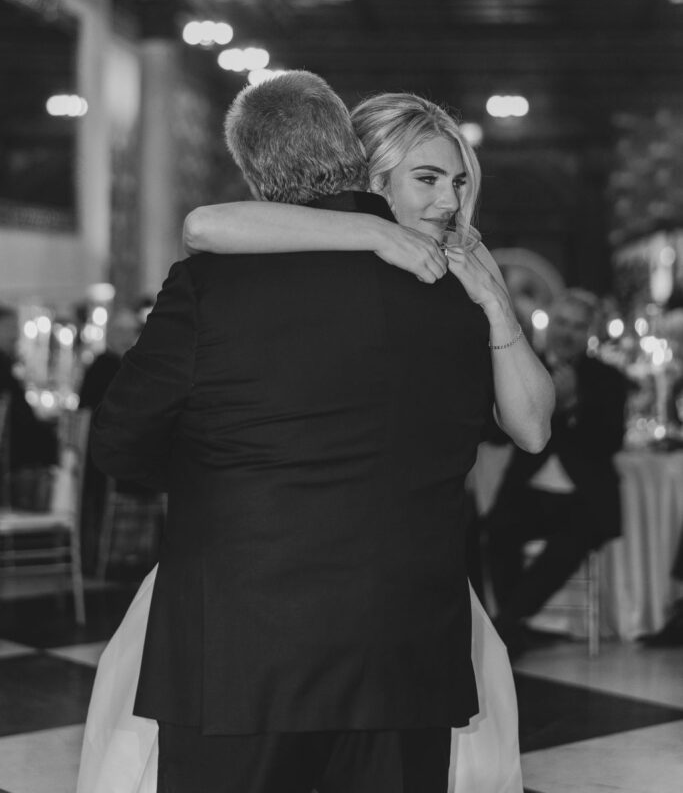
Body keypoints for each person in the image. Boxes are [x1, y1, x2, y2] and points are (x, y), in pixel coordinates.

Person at [84, 77, 553, 793]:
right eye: (428, 178)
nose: (450, 201)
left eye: (458, 181)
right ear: (368, 173)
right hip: (403, 648)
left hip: (244, 641)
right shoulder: (445, 303)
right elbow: (208, 222)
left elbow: (120, 444)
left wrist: (216, 478)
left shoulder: (219, 286)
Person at [486, 288, 628, 657]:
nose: (568, 333)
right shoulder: (520, 367)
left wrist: (574, 404)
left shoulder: (607, 379)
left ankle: (506, 624)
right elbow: (497, 437)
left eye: (578, 327)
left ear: (589, 333)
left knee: (575, 536)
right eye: (562, 323)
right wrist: (548, 405)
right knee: (493, 531)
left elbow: (610, 443)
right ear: (550, 323)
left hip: (584, 496)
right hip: (528, 490)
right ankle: (509, 624)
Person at [78, 308, 146, 574]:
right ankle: (137, 555)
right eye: (122, 332)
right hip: (110, 463)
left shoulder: (102, 364)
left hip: (96, 460)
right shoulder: (112, 367)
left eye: (130, 332)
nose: (127, 338)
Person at [0, 303, 57, 508]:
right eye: (9, 328)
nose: (15, 335)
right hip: (12, 455)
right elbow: (20, 417)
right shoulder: (3, 366)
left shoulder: (7, 363)